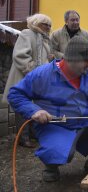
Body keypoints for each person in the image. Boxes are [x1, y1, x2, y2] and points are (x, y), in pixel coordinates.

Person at [7, 36, 88, 182]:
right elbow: (15, 94)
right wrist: (34, 110)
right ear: (71, 59)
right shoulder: (43, 74)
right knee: (60, 153)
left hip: (83, 122)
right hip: (55, 126)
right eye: (86, 60)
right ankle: (51, 166)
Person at [3, 13, 53, 148]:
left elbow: (42, 58)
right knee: (22, 108)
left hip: (37, 80)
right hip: (24, 78)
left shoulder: (43, 38)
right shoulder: (27, 33)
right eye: (45, 24)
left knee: (34, 107)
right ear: (36, 23)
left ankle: (32, 134)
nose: (48, 27)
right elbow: (20, 55)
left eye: (49, 25)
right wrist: (34, 72)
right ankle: (22, 138)